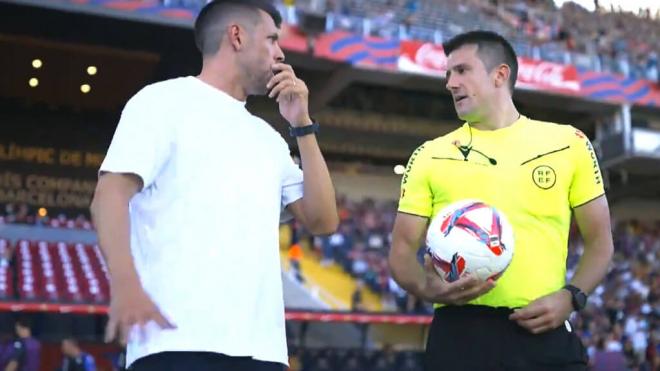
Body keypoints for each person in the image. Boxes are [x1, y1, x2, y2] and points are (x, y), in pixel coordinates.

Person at [89, 0, 338, 370]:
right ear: (236, 36)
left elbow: (323, 220)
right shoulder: (162, 102)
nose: (281, 52)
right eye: (272, 39)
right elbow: (108, 195)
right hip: (174, 340)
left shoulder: (268, 139)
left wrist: (301, 125)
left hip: (262, 350)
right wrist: (125, 282)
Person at [388, 30, 614, 371]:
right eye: (448, 74)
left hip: (544, 334)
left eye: (462, 70)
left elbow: (601, 243)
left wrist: (571, 297)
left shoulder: (569, 143)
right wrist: (426, 288)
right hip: (459, 338)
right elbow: (402, 250)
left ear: (500, 74)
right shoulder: (428, 155)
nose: (450, 83)